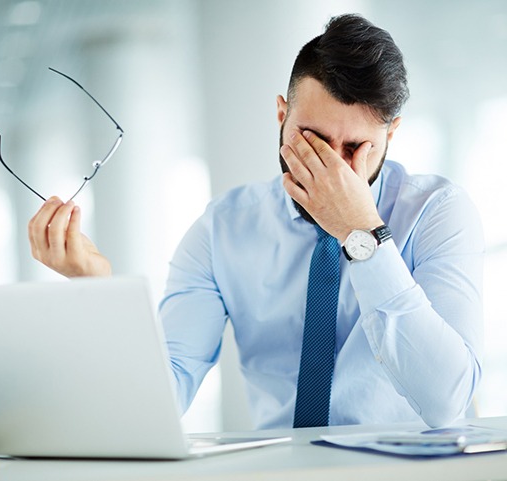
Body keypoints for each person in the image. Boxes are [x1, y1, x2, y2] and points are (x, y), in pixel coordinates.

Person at [28, 14, 484, 429]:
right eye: (314, 140)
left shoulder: (438, 212)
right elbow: (160, 401)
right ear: (282, 115)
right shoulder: (222, 230)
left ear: (391, 135)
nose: (334, 169)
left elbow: (446, 402)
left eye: (354, 148)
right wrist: (101, 294)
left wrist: (361, 232)